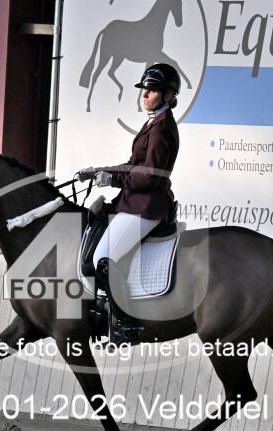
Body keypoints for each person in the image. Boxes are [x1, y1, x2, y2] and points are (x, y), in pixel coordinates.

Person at [80, 63, 181, 346]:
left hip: (147, 206)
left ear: (168, 95)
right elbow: (133, 164)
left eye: (152, 90)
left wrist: (112, 178)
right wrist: (101, 170)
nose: (145, 94)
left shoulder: (162, 129)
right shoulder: (153, 123)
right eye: (144, 89)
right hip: (134, 202)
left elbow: (149, 176)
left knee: (104, 259)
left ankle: (125, 324)